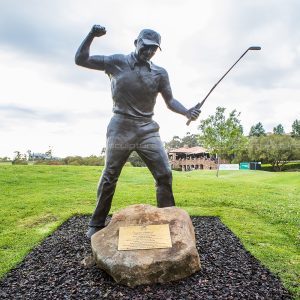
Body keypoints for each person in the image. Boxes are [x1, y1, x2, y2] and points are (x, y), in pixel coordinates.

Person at [75, 25, 200, 238]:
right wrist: (91, 35)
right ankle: (96, 223)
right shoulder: (116, 62)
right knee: (110, 175)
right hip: (120, 127)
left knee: (164, 174)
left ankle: (168, 220)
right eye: (146, 46)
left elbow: (170, 101)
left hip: (147, 130)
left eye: (154, 49)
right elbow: (81, 59)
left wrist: (187, 112)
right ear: (136, 43)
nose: (149, 51)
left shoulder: (160, 73)